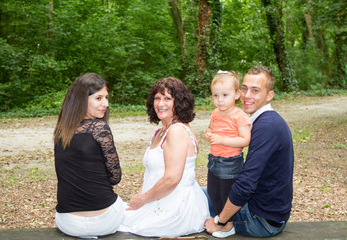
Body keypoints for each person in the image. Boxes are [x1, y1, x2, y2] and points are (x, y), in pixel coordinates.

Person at [205, 66, 294, 238]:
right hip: (266, 213)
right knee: (203, 191)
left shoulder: (267, 126)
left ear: (269, 96)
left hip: (261, 220)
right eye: (244, 89)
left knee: (193, 197)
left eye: (255, 91)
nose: (246, 96)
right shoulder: (261, 121)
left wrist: (220, 222)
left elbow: (246, 185)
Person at [119, 77, 210, 237]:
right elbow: (151, 174)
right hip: (157, 198)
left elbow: (172, 179)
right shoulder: (161, 131)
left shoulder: (177, 131)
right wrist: (139, 198)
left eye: (167, 98)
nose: (160, 104)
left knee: (118, 223)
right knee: (116, 214)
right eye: (157, 98)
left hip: (175, 205)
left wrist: (142, 200)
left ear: (179, 102)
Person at [53, 73, 124, 239]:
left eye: (106, 97)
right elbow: (115, 178)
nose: (105, 103)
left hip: (67, 222)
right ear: (80, 100)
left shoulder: (61, 131)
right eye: (98, 98)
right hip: (104, 221)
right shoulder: (100, 128)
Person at [205, 70, 251, 238]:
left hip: (231, 162)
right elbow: (211, 129)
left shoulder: (239, 115)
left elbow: (245, 140)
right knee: (213, 192)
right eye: (216, 95)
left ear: (237, 94)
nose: (220, 100)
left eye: (225, 95)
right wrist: (209, 134)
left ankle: (228, 225)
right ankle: (220, 219)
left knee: (227, 195)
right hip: (214, 161)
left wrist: (222, 140)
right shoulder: (215, 113)